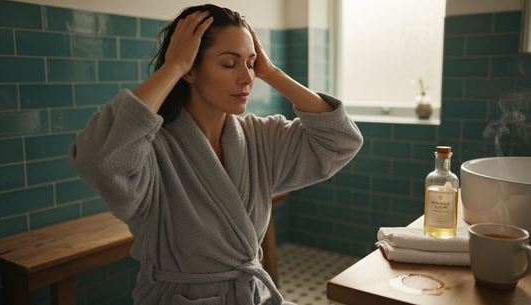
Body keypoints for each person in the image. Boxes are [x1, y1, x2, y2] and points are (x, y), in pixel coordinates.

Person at [68, 4, 363, 305]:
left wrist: (271, 72)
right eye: (228, 64)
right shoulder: (153, 151)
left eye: (250, 63)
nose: (248, 78)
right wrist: (173, 66)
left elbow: (341, 141)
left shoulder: (259, 138)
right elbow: (98, 159)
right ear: (191, 70)